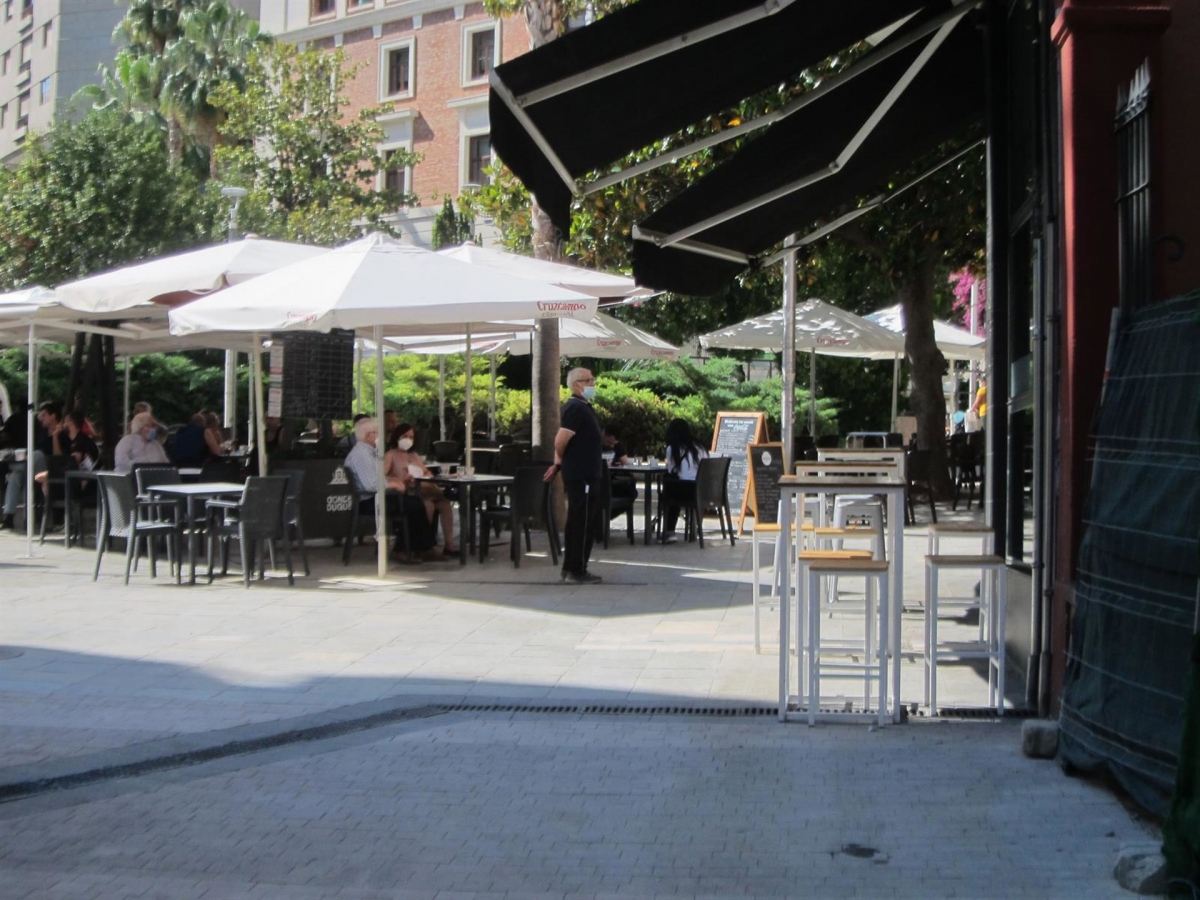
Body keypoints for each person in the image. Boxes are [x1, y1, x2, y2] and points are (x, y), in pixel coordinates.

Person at [342, 417, 440, 563]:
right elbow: (371, 485)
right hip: (369, 501)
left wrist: (393, 481)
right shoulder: (362, 454)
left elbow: (377, 478)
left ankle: (420, 547)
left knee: (415, 503)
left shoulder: (367, 452)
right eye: (377, 433)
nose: (380, 436)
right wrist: (392, 485)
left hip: (374, 498)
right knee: (414, 505)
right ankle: (404, 549)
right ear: (368, 435)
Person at [545, 367, 604, 584]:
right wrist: (560, 462)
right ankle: (576, 569)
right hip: (582, 475)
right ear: (577, 384)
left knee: (581, 520)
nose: (593, 384)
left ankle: (571, 566)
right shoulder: (575, 408)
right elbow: (560, 440)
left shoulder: (583, 407)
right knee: (582, 522)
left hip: (585, 473)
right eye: (589, 381)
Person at [385, 423, 458, 554]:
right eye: (405, 436)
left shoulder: (414, 455)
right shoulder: (391, 455)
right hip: (408, 492)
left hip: (423, 489)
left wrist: (426, 475)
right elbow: (383, 476)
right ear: (397, 437)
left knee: (445, 504)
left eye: (411, 437)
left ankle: (449, 544)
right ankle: (424, 546)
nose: (408, 440)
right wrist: (400, 479)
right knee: (428, 506)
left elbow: (426, 472)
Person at [1, 401, 61, 530]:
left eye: (44, 415)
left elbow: (59, 458)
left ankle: (16, 466)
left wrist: (55, 437)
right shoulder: (41, 431)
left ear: (53, 416)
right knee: (15, 477)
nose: (41, 418)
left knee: (38, 455)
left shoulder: (61, 433)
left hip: (50, 469)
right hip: (33, 469)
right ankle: (8, 517)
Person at [659, 418, 709, 544]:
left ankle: (669, 531)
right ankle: (695, 528)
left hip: (685, 491)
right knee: (673, 487)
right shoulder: (701, 447)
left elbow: (672, 471)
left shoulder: (673, 449)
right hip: (703, 491)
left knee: (670, 489)